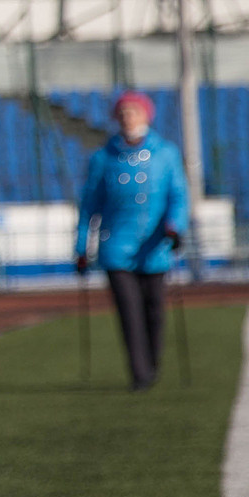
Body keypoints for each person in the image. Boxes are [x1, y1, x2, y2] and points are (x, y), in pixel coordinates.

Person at [74, 90, 191, 391]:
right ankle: (139, 373)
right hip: (116, 249)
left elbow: (178, 196)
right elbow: (89, 206)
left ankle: (152, 363)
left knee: (154, 311)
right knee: (129, 312)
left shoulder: (166, 154)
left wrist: (175, 227)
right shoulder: (102, 158)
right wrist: (81, 246)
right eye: (123, 113)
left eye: (134, 112)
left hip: (154, 247)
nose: (128, 118)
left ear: (146, 115)